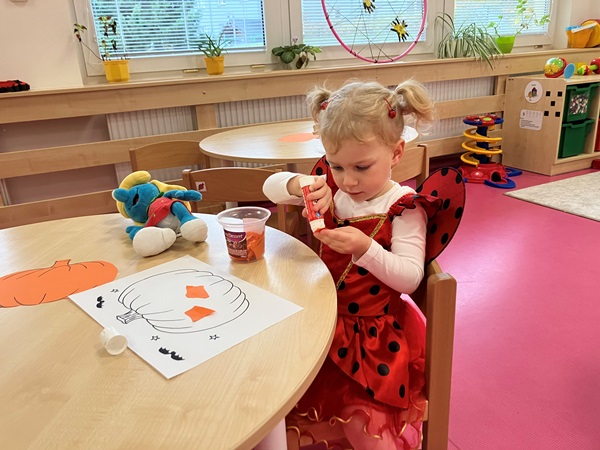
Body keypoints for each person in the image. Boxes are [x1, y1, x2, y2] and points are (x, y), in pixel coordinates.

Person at [262, 79, 442, 449]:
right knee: (275, 402)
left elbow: (410, 278)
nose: (348, 180)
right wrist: (299, 183)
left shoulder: (404, 206)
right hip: (323, 322)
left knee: (364, 424)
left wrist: (365, 248)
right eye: (336, 166)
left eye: (361, 166)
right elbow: (270, 186)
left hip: (374, 339)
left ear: (396, 152)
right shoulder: (332, 190)